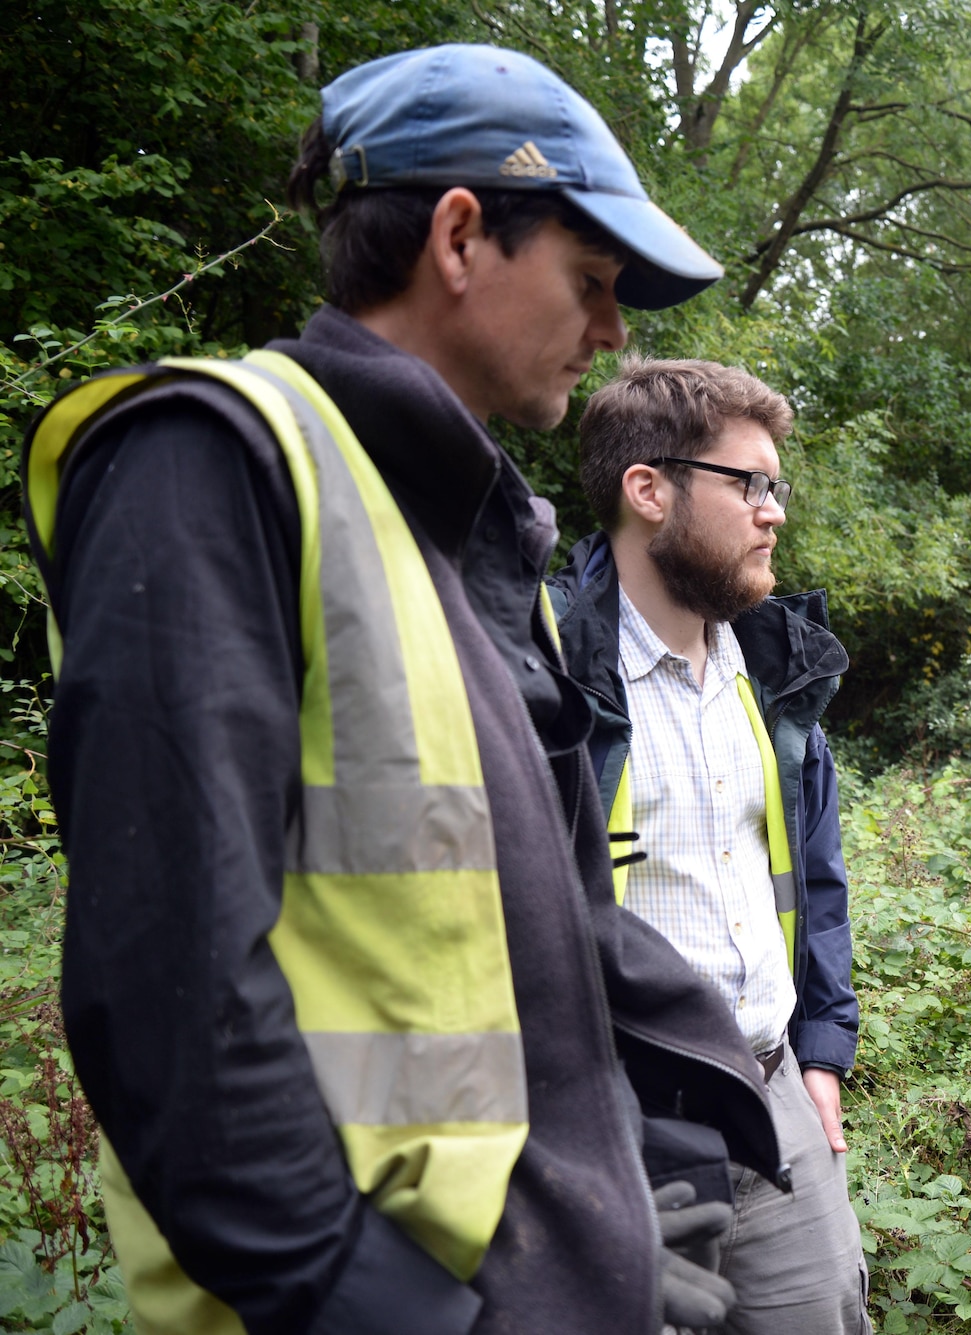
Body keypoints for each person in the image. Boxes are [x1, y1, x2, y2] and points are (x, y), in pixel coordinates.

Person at [27, 45, 786, 1335]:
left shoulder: (465, 538)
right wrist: (400, 1306)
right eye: (592, 282)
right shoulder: (209, 465)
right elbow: (171, 997)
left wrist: (594, 1209)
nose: (610, 334)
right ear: (457, 237)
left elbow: (508, 943)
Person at [550, 358, 867, 1334]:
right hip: (613, 1120)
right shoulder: (549, 672)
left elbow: (811, 876)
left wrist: (820, 1047)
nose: (773, 511)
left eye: (777, 487)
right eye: (749, 484)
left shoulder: (774, 672)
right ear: (648, 490)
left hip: (770, 1094)